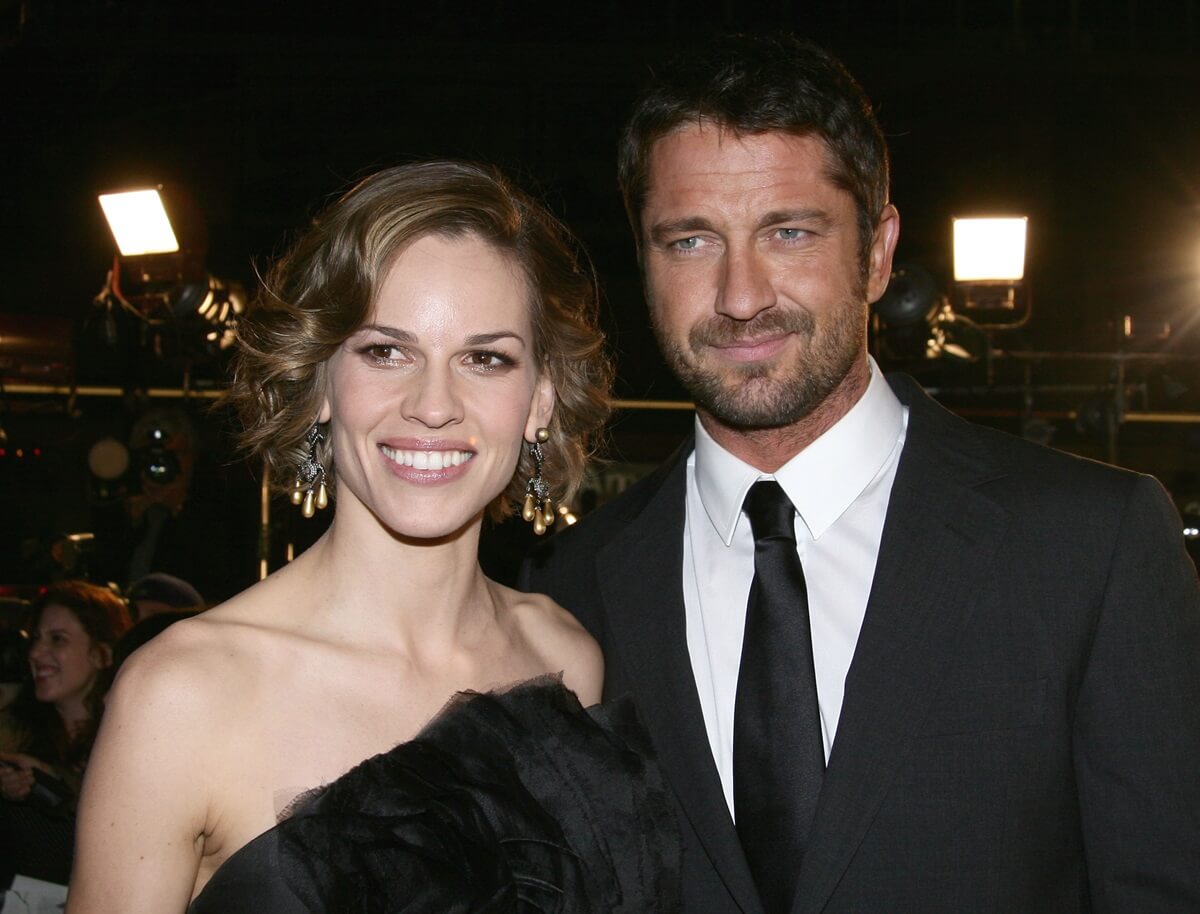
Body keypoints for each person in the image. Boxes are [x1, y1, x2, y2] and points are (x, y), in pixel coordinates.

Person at [521, 33, 1200, 914]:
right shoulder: (573, 589)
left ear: (877, 253)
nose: (739, 295)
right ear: (645, 264)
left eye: (790, 232)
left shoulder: (1092, 545)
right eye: (690, 241)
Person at [69, 161, 680, 913]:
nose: (432, 405)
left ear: (540, 400)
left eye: (485, 358)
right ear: (321, 377)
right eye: (386, 351)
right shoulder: (182, 697)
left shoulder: (562, 661)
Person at [1, 581, 131, 885]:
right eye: (35, 639)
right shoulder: (15, 732)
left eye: (57, 640)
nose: (36, 652)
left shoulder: (129, 737)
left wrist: (55, 783)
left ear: (103, 654)